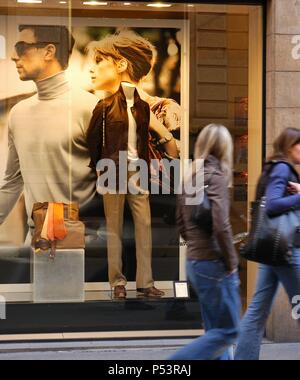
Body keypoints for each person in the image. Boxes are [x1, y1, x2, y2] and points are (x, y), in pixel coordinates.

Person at [87, 30, 179, 299]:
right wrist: (100, 167)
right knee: (113, 228)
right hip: (112, 170)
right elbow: (93, 140)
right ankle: (117, 283)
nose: (94, 69)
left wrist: (168, 148)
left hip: (137, 169)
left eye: (100, 61)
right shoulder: (103, 106)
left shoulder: (143, 108)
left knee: (143, 226)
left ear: (121, 65)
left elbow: (162, 137)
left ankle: (145, 283)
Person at [0, 25, 99, 234]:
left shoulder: (90, 108)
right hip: (39, 241)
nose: (13, 56)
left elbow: (112, 185)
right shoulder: (18, 113)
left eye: (21, 46)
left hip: (85, 243)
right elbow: (12, 183)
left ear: (49, 51)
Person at [170, 124, 240, 360]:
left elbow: (180, 221)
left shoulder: (190, 175)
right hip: (213, 263)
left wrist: (194, 245)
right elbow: (221, 225)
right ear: (225, 148)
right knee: (229, 331)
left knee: (215, 331)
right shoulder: (217, 177)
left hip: (195, 261)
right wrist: (232, 262)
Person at [235, 127, 300, 360]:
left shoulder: (274, 167)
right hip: (287, 250)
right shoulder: (282, 168)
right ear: (289, 146)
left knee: (257, 311)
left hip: (273, 250)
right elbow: (272, 205)